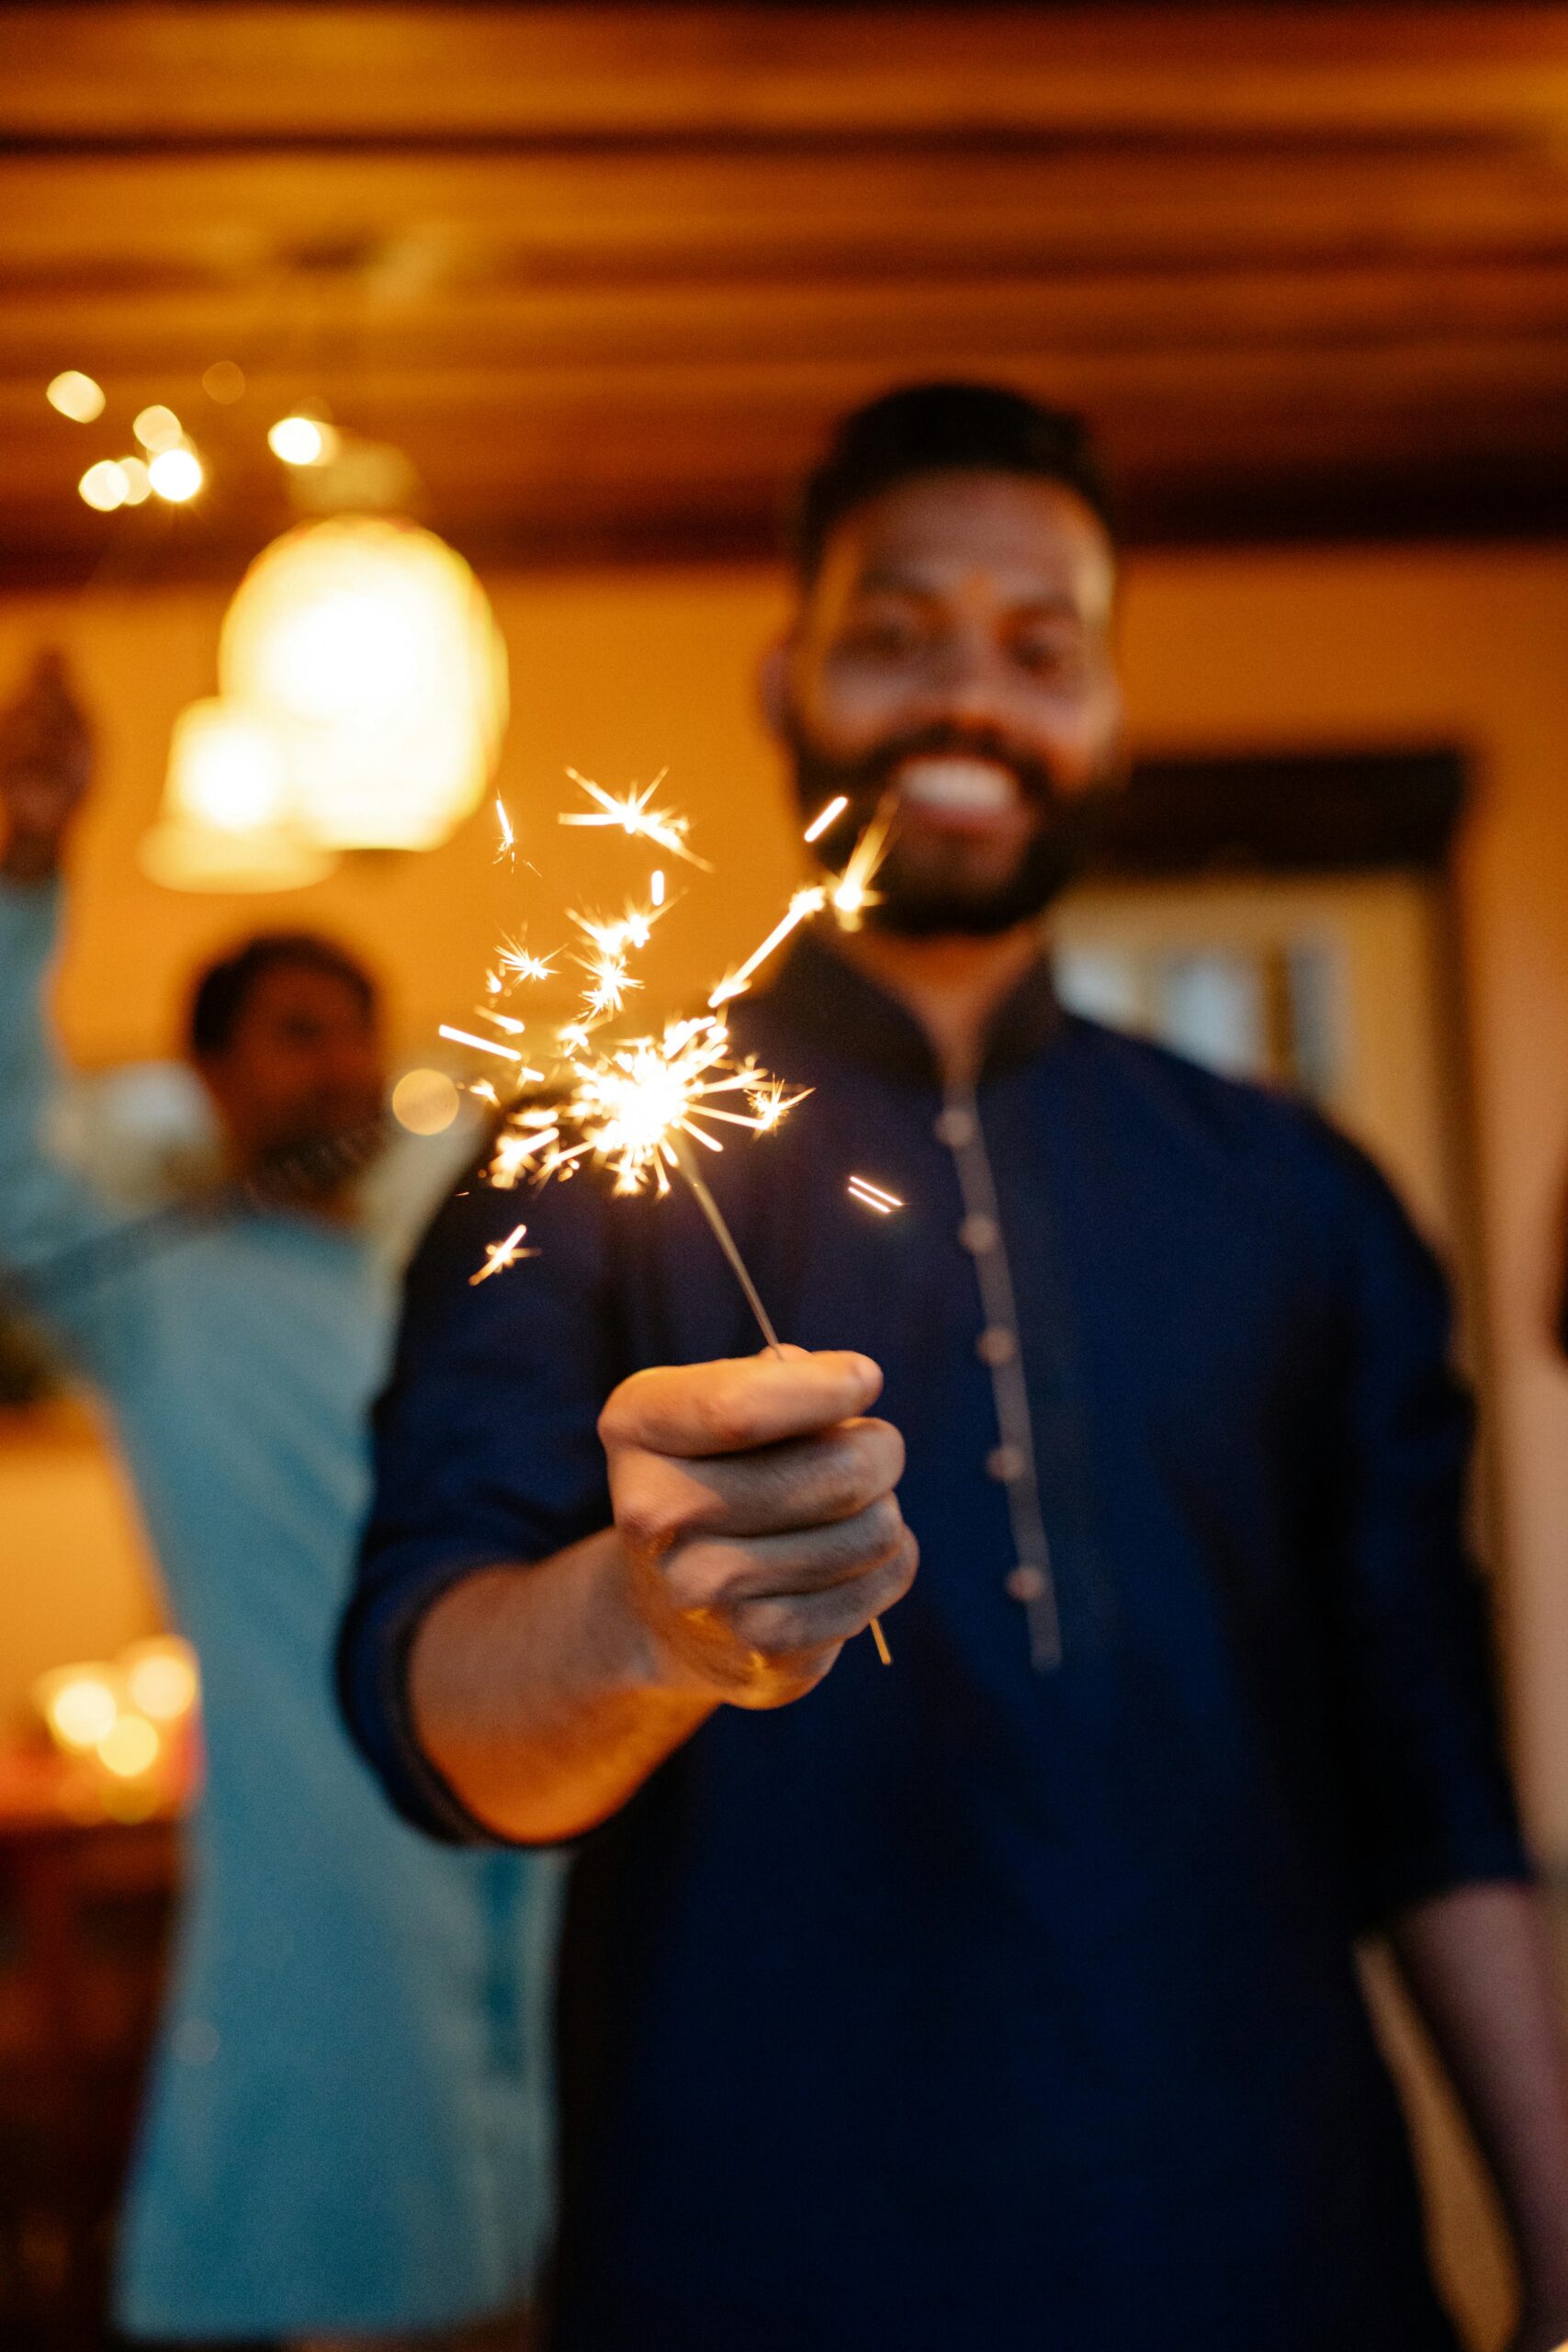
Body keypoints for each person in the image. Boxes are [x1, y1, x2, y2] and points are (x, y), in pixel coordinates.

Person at [338, 385, 1568, 2352]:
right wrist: (642, 1620)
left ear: (1108, 713)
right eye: (894, 633)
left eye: (1038, 648)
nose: (965, 701)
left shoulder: (1297, 1197)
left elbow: (1430, 1773)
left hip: (1275, 2250)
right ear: (785, 673)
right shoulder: (567, 1173)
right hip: (749, 2268)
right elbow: (430, 1710)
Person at [0, 650, 559, 2349]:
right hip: (317, 1835)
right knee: (346, 2229)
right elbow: (16, 1181)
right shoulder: (162, 1291)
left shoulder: (438, 1280)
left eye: (357, 1039)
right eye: (299, 1040)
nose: (339, 1074)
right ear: (223, 1075)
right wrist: (24, 873)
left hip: (531, 1797)